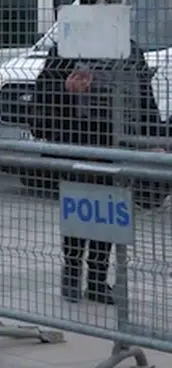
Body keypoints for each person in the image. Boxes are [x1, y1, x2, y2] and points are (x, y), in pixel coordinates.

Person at [30, 37, 161, 305]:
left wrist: (153, 137)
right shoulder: (68, 47)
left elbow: (143, 95)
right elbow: (43, 92)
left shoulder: (127, 48)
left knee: (107, 213)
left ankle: (97, 281)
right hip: (77, 141)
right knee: (78, 210)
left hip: (114, 143)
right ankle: (72, 275)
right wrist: (65, 88)